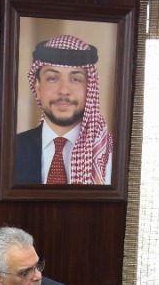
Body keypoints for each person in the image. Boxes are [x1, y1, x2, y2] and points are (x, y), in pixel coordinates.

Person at [14, 35, 113, 185]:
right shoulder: (9, 150)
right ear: (38, 87)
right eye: (52, 78)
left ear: (89, 88)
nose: (64, 90)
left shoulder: (108, 155)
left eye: (75, 79)